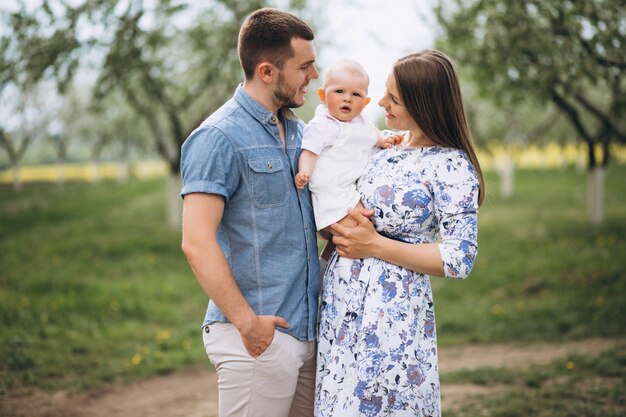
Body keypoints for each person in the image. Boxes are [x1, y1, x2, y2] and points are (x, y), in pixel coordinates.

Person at [314, 49, 485, 417]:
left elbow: (459, 258)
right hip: (341, 306)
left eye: (393, 98)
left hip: (391, 313)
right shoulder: (386, 146)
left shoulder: (451, 165)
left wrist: (374, 245)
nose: (380, 103)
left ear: (423, 103)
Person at [180, 8, 320, 417]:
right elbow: (196, 241)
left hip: (308, 333)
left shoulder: (298, 133)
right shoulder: (217, 137)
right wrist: (247, 325)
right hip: (258, 339)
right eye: (305, 66)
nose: (314, 76)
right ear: (267, 71)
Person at [294, 60, 401, 232]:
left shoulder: (362, 120)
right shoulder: (322, 124)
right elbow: (310, 151)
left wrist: (382, 140)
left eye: (356, 95)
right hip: (330, 188)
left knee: (367, 224)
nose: (347, 98)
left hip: (349, 185)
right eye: (339, 91)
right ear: (323, 96)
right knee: (355, 229)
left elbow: (370, 134)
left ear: (365, 102)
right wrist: (304, 172)